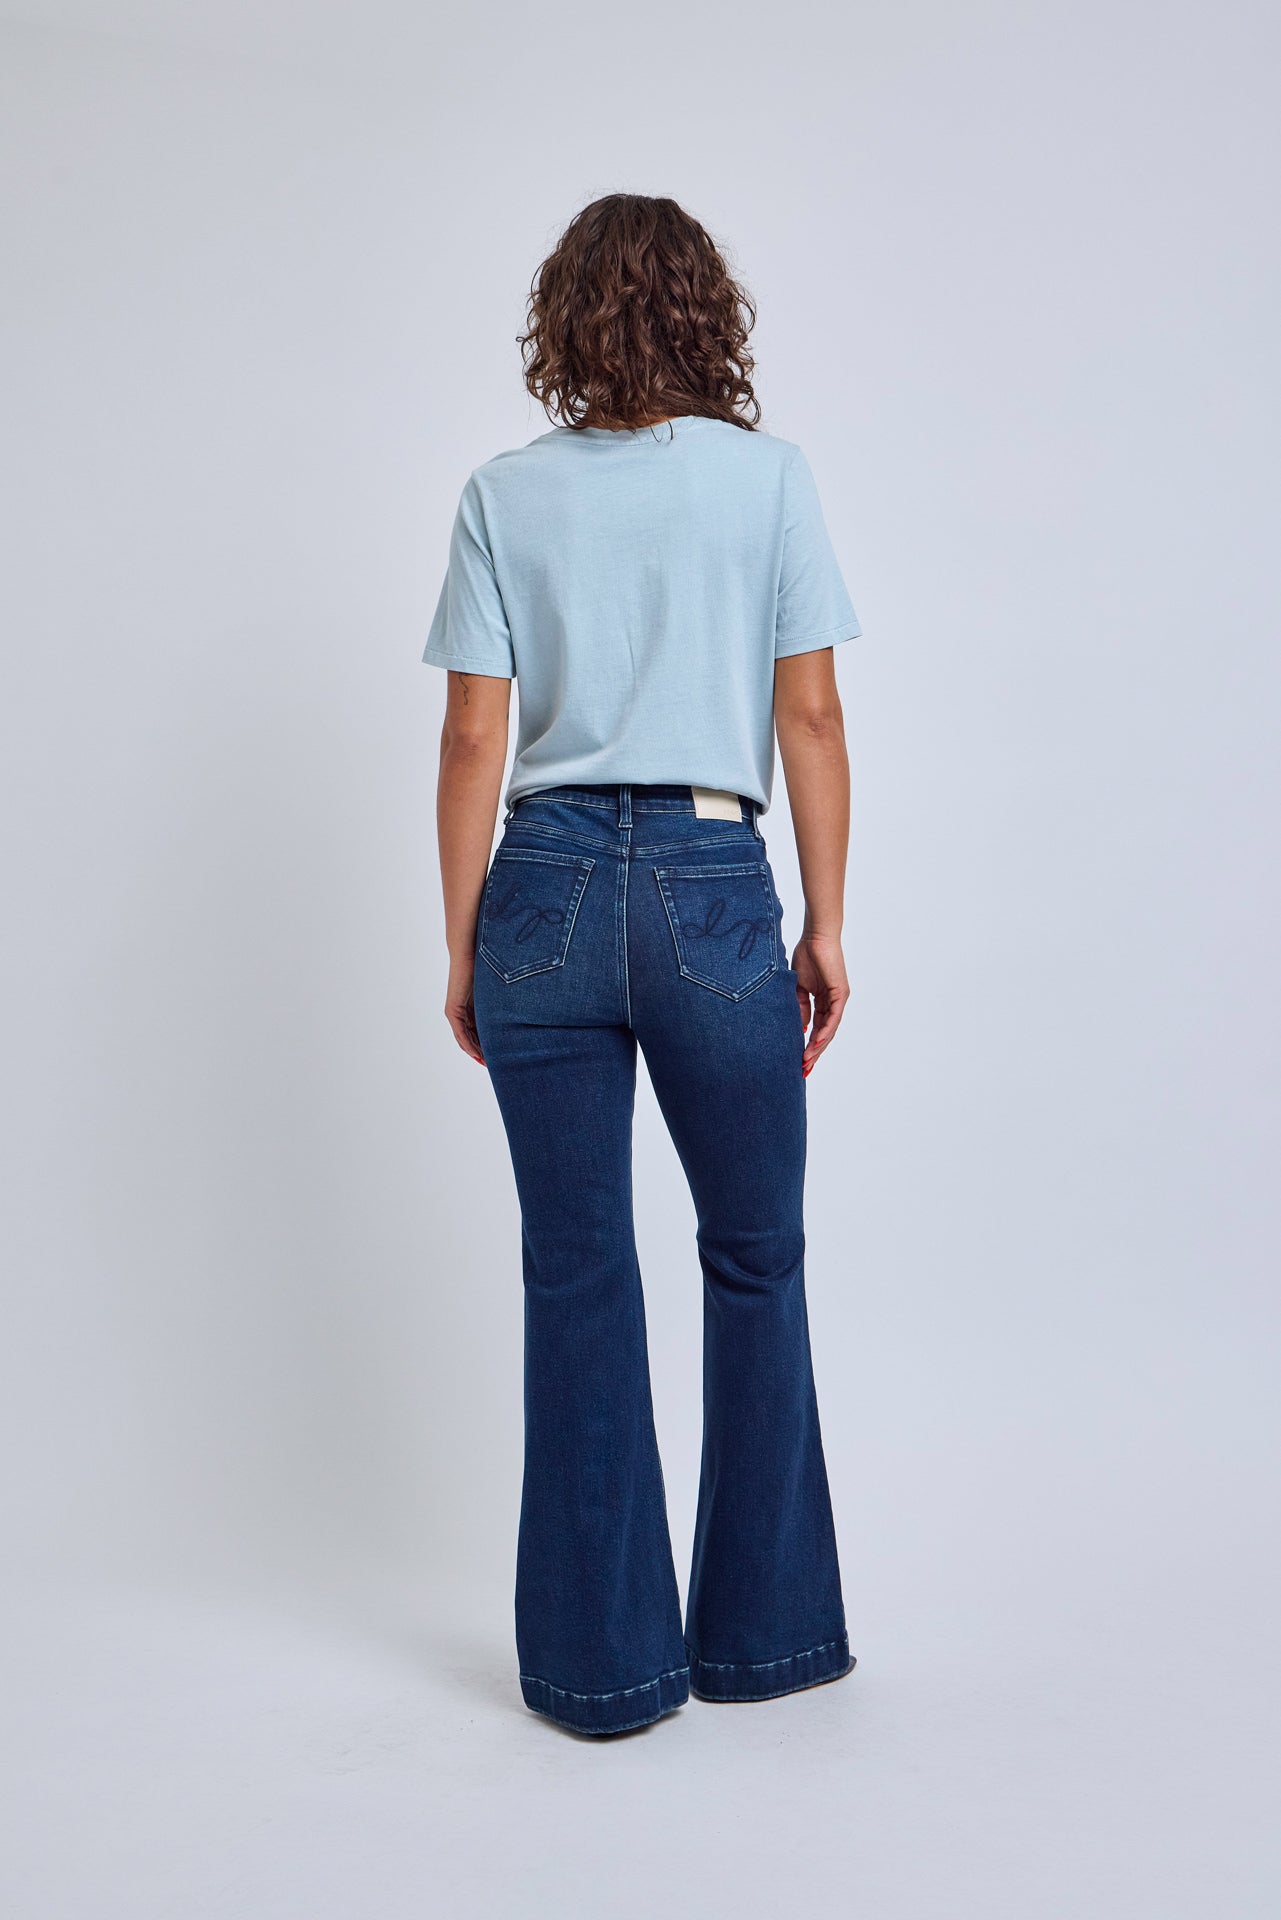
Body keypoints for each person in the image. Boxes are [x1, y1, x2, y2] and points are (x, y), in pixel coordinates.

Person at [423, 193, 861, 1736]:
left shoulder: (503, 493)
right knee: (754, 1256)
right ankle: (762, 1640)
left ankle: (604, 1678)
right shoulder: (768, 483)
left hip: (535, 884)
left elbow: (477, 731)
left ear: (564, 320)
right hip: (707, 876)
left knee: (576, 1271)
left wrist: (468, 941)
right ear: (705, 314)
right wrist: (822, 921)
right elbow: (805, 719)